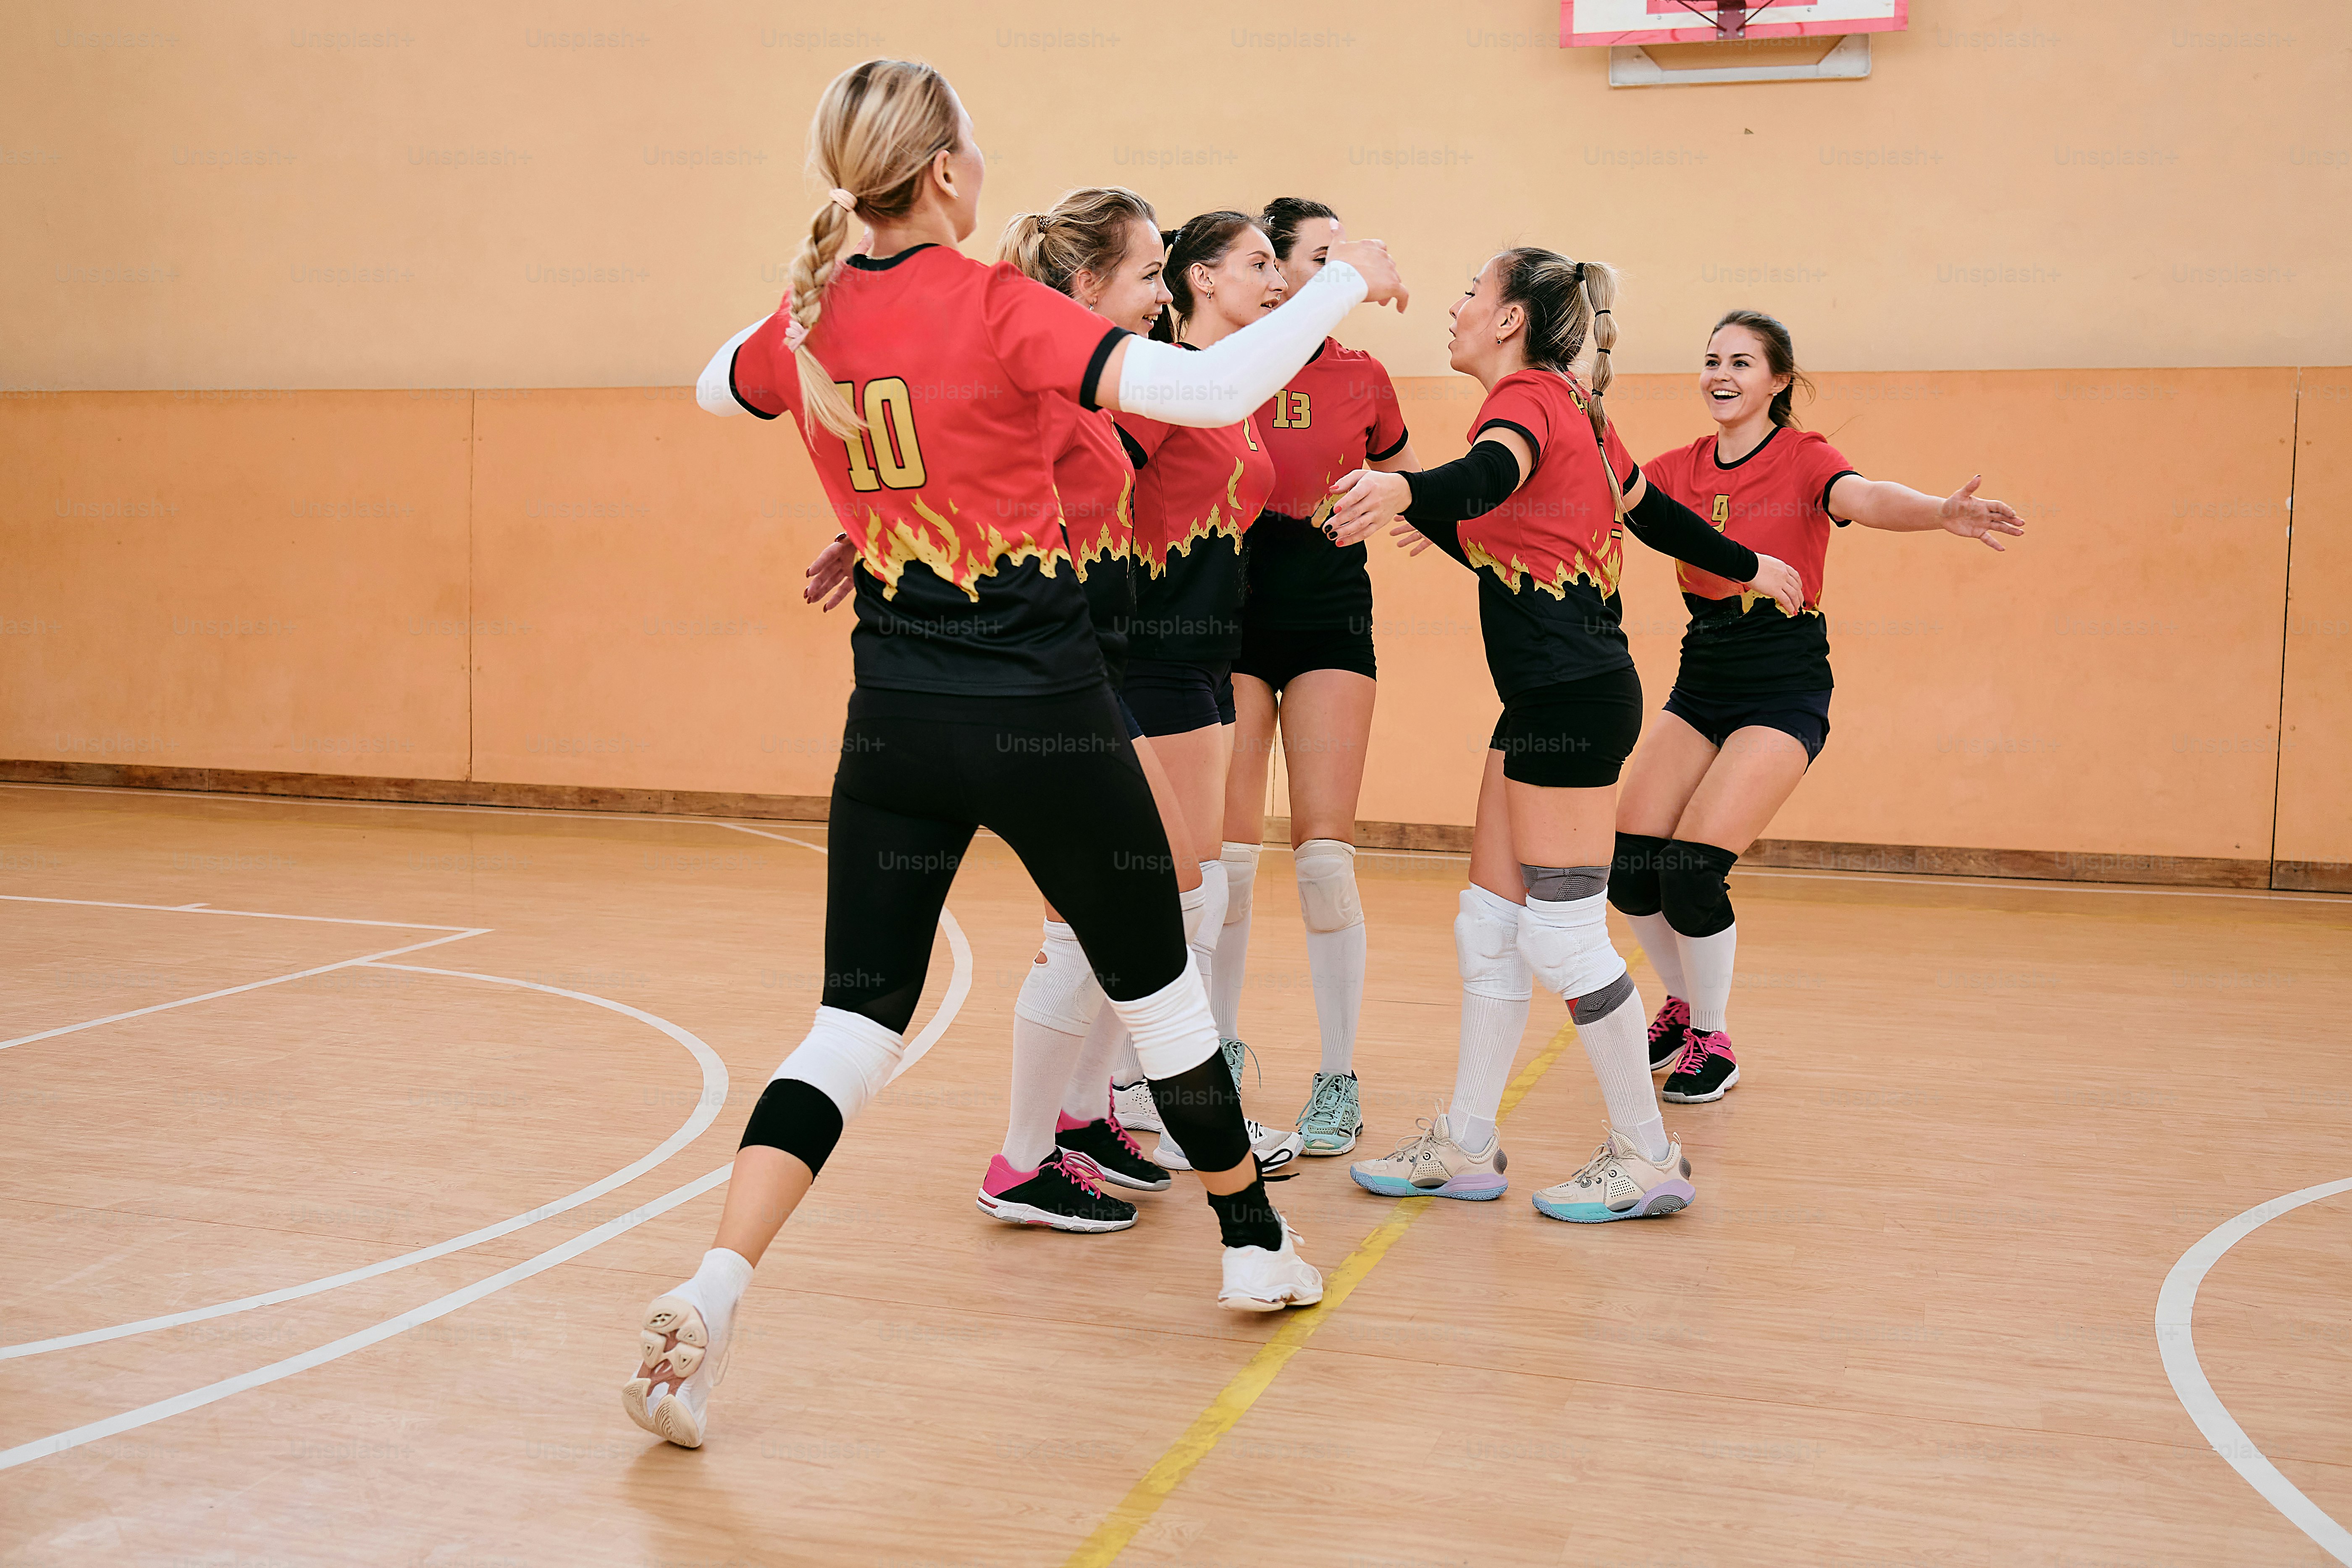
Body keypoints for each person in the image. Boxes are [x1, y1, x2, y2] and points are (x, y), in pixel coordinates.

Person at [627, 57, 1408, 1450]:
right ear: (943, 172)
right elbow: (1215, 375)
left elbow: (710, 389)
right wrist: (1349, 281)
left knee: (851, 1026)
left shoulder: (804, 319)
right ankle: (1252, 1246)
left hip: (893, 732)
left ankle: (713, 1287)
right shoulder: (996, 302)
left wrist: (877, 492)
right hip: (1044, 720)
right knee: (1163, 993)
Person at [1322, 247, 1797, 1222]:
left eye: (1469, 294)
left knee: (1564, 934)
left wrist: (1410, 492)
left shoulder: (1529, 400)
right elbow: (1646, 513)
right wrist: (1750, 562)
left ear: (1509, 321)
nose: (1454, 308)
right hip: (1547, 700)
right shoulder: (1576, 407)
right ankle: (1464, 1139)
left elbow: (1492, 472)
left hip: (1572, 699)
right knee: (1487, 923)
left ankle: (1647, 1153)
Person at [1611, 310, 2022, 1103]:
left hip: (1783, 677)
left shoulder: (1805, 457)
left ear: (1778, 381)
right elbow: (1599, 486)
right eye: (1710, 361)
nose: (1720, 375)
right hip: (1704, 673)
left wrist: (1940, 511)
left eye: (1741, 362)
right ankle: (1681, 1002)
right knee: (1632, 865)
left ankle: (1713, 1036)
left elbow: (1864, 497)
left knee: (1692, 872)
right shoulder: (1678, 467)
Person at [1105, 210, 1311, 1176]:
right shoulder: (1156, 390)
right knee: (1169, 898)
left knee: (1199, 892)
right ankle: (1145, 1102)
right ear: (1195, 279)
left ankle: (1127, 1095)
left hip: (1205, 659)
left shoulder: (1227, 392)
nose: (1275, 279)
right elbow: (1068, 479)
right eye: (1257, 264)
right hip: (1144, 656)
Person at [1213, 197, 1419, 1158]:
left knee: (1325, 859)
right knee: (1230, 860)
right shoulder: (1226, 365)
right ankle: (1211, 1057)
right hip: (1233, 613)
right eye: (1317, 254)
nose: (1335, 268)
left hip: (1331, 610)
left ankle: (1337, 1075)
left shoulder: (1365, 376)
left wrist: (1399, 503)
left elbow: (1410, 486)